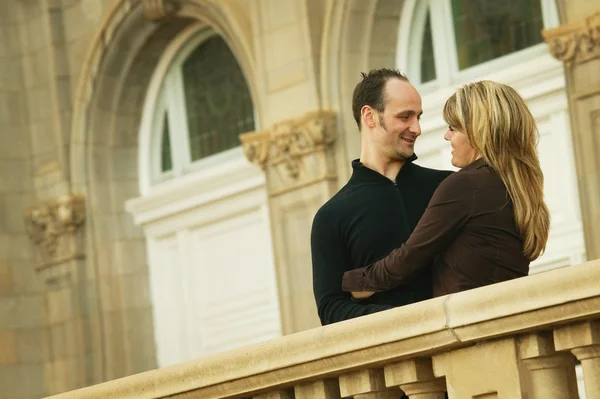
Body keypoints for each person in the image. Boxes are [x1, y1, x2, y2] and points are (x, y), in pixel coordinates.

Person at [341, 80, 550, 298]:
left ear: (477, 132)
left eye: (453, 128)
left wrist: (346, 282)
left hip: (472, 326)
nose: (446, 136)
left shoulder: (467, 185)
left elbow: (407, 260)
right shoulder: (514, 186)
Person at [311, 68, 452, 326]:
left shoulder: (447, 186)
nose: (417, 128)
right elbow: (331, 309)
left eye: (418, 117)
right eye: (405, 116)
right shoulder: (331, 216)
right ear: (370, 116)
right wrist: (399, 319)